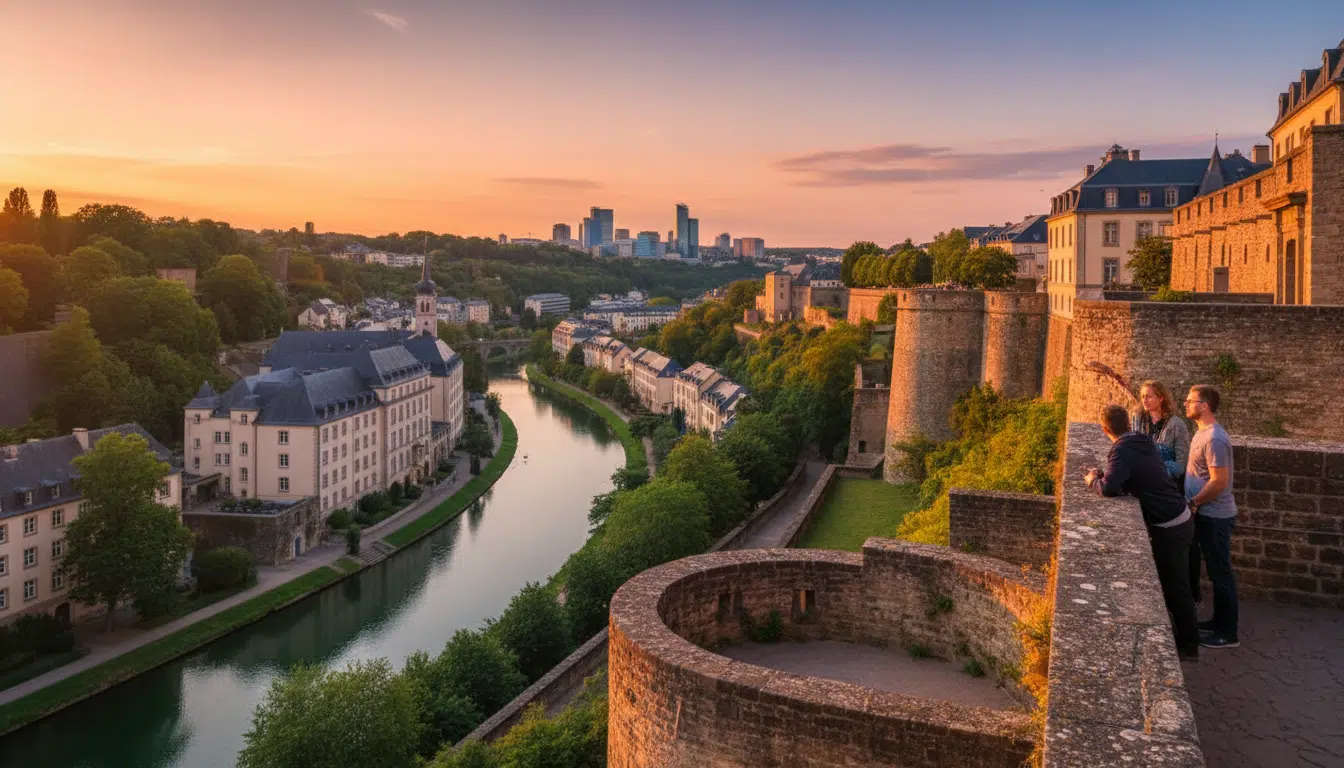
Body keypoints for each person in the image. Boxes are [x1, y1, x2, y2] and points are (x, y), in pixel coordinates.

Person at [1084, 404, 1199, 660]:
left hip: (1170, 525)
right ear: (1128, 423)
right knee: (1176, 585)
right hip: (1178, 517)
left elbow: (1110, 488)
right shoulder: (1141, 440)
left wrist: (1093, 480)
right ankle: (1187, 638)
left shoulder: (1122, 449)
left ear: (1104, 429)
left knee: (1176, 587)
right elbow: (1129, 475)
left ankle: (1189, 646)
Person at [1184, 384, 1239, 649]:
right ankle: (1218, 623)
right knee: (1216, 573)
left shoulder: (1214, 438)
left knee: (1221, 573)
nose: (1186, 404)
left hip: (1215, 515)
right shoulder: (1202, 433)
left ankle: (1228, 634)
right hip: (1206, 513)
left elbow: (1219, 482)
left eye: (1191, 401)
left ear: (1204, 405)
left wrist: (1194, 502)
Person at [1131, 380, 1190, 482]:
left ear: (1161, 398)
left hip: (1165, 476)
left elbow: (1181, 464)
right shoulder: (1138, 419)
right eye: (1143, 397)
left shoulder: (1177, 424)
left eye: (1149, 396)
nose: (1145, 400)